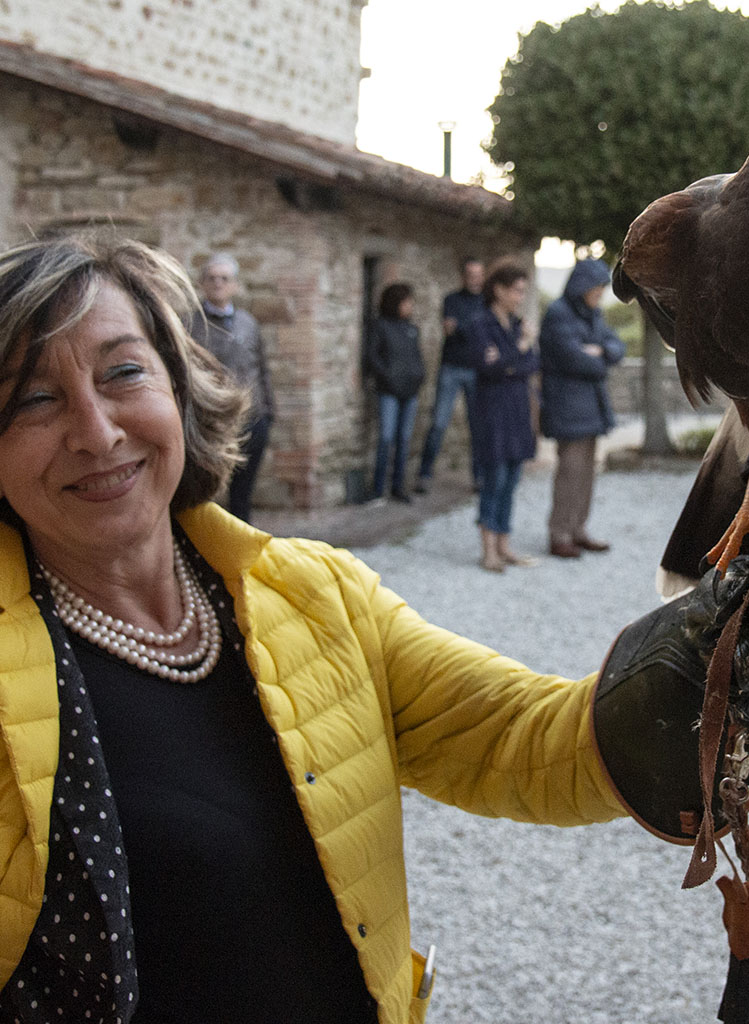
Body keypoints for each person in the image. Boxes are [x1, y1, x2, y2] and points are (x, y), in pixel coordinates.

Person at [0, 234, 627, 1024]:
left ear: (179, 388)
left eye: (123, 371)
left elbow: (525, 739)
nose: (95, 431)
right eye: (32, 399)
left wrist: (708, 682)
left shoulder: (313, 593)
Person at [539, 258, 626, 558]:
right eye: (597, 289)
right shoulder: (558, 315)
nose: (600, 295)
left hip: (590, 408)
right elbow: (572, 359)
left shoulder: (592, 315)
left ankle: (578, 530)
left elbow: (617, 346)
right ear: (583, 287)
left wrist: (599, 351)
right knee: (570, 473)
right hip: (567, 408)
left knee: (587, 474)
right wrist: (599, 357)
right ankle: (559, 533)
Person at [186, 253, 274, 523]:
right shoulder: (189, 324)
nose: (218, 283)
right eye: (211, 278)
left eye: (224, 279)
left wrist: (269, 412)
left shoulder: (248, 323)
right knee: (202, 492)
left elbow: (261, 367)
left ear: (234, 285)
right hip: (208, 421)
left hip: (251, 419)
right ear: (202, 283)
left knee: (242, 492)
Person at [467, 262, 540, 572]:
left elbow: (532, 364)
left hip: (517, 409)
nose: (520, 297)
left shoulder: (515, 323)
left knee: (512, 476)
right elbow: (488, 366)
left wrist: (512, 358)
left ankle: (504, 544)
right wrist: (521, 348)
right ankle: (488, 550)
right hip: (492, 411)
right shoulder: (480, 324)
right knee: (494, 476)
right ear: (498, 289)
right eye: (517, 290)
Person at [414, 258, 485, 494]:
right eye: (470, 274)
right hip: (451, 368)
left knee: (478, 425)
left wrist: (463, 329)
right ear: (463, 276)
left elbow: (478, 332)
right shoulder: (451, 300)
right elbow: (451, 328)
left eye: (478, 274)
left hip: (477, 370)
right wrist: (471, 329)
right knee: (439, 422)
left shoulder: (486, 302)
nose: (474, 278)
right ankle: (424, 474)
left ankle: (479, 477)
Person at [366, 282, 426, 503]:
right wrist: (388, 377)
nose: (410, 306)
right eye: (407, 302)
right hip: (389, 391)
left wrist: (419, 376)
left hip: (409, 392)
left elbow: (416, 358)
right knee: (386, 437)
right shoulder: (381, 326)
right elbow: (373, 357)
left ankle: (398, 486)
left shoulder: (410, 329)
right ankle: (378, 488)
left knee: (404, 439)